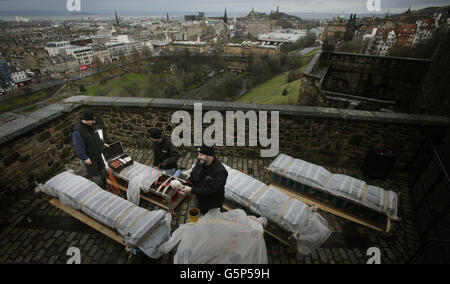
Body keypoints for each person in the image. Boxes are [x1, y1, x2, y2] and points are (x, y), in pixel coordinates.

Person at [180, 145, 228, 215]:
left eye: (201, 155)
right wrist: (185, 184)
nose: (198, 157)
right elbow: (193, 176)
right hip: (201, 198)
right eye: (198, 154)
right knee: (201, 211)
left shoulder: (220, 172)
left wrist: (191, 190)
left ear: (209, 156)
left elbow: (211, 190)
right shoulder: (201, 162)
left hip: (213, 203)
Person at [72, 109, 109, 189]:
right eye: (92, 120)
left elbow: (96, 137)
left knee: (102, 169)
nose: (94, 122)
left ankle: (105, 185)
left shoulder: (91, 126)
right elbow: (78, 146)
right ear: (86, 120)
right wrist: (85, 158)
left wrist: (102, 143)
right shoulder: (77, 132)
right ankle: (99, 188)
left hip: (98, 153)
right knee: (95, 174)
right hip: (90, 157)